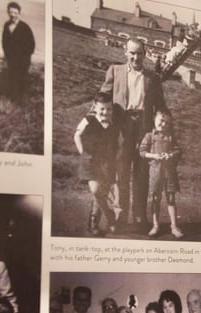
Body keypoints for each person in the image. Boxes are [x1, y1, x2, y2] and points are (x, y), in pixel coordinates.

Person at [100, 39, 167, 226]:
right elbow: (103, 97)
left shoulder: (153, 78)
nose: (135, 57)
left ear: (144, 54)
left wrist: (167, 123)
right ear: (125, 52)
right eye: (132, 53)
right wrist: (91, 118)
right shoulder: (115, 71)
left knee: (141, 172)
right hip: (122, 127)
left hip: (144, 128)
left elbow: (160, 105)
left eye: (139, 53)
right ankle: (120, 214)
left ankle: (139, 215)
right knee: (121, 171)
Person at [74, 92, 122, 236]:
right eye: (102, 109)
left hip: (107, 164)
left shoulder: (114, 126)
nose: (105, 112)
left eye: (108, 109)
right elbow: (77, 135)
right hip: (91, 162)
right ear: (95, 107)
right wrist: (82, 151)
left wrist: (116, 159)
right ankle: (111, 217)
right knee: (95, 190)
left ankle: (93, 225)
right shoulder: (88, 120)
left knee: (101, 193)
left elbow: (121, 144)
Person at [139, 108, 183, 238]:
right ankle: (155, 225)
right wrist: (154, 156)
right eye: (161, 121)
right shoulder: (149, 136)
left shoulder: (171, 136)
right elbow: (141, 151)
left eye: (167, 122)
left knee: (170, 198)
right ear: (154, 120)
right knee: (155, 198)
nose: (163, 124)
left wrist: (169, 155)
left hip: (169, 172)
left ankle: (174, 226)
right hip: (155, 172)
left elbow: (178, 151)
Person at [1, 1, 35, 102]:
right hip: (11, 58)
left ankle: (19, 100)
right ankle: (12, 98)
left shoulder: (25, 27)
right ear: (8, 12)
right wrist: (6, 54)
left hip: (23, 60)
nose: (13, 15)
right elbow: (4, 41)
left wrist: (24, 57)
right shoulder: (6, 25)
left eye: (15, 13)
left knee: (21, 79)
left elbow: (31, 44)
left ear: (19, 14)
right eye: (11, 12)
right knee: (12, 77)